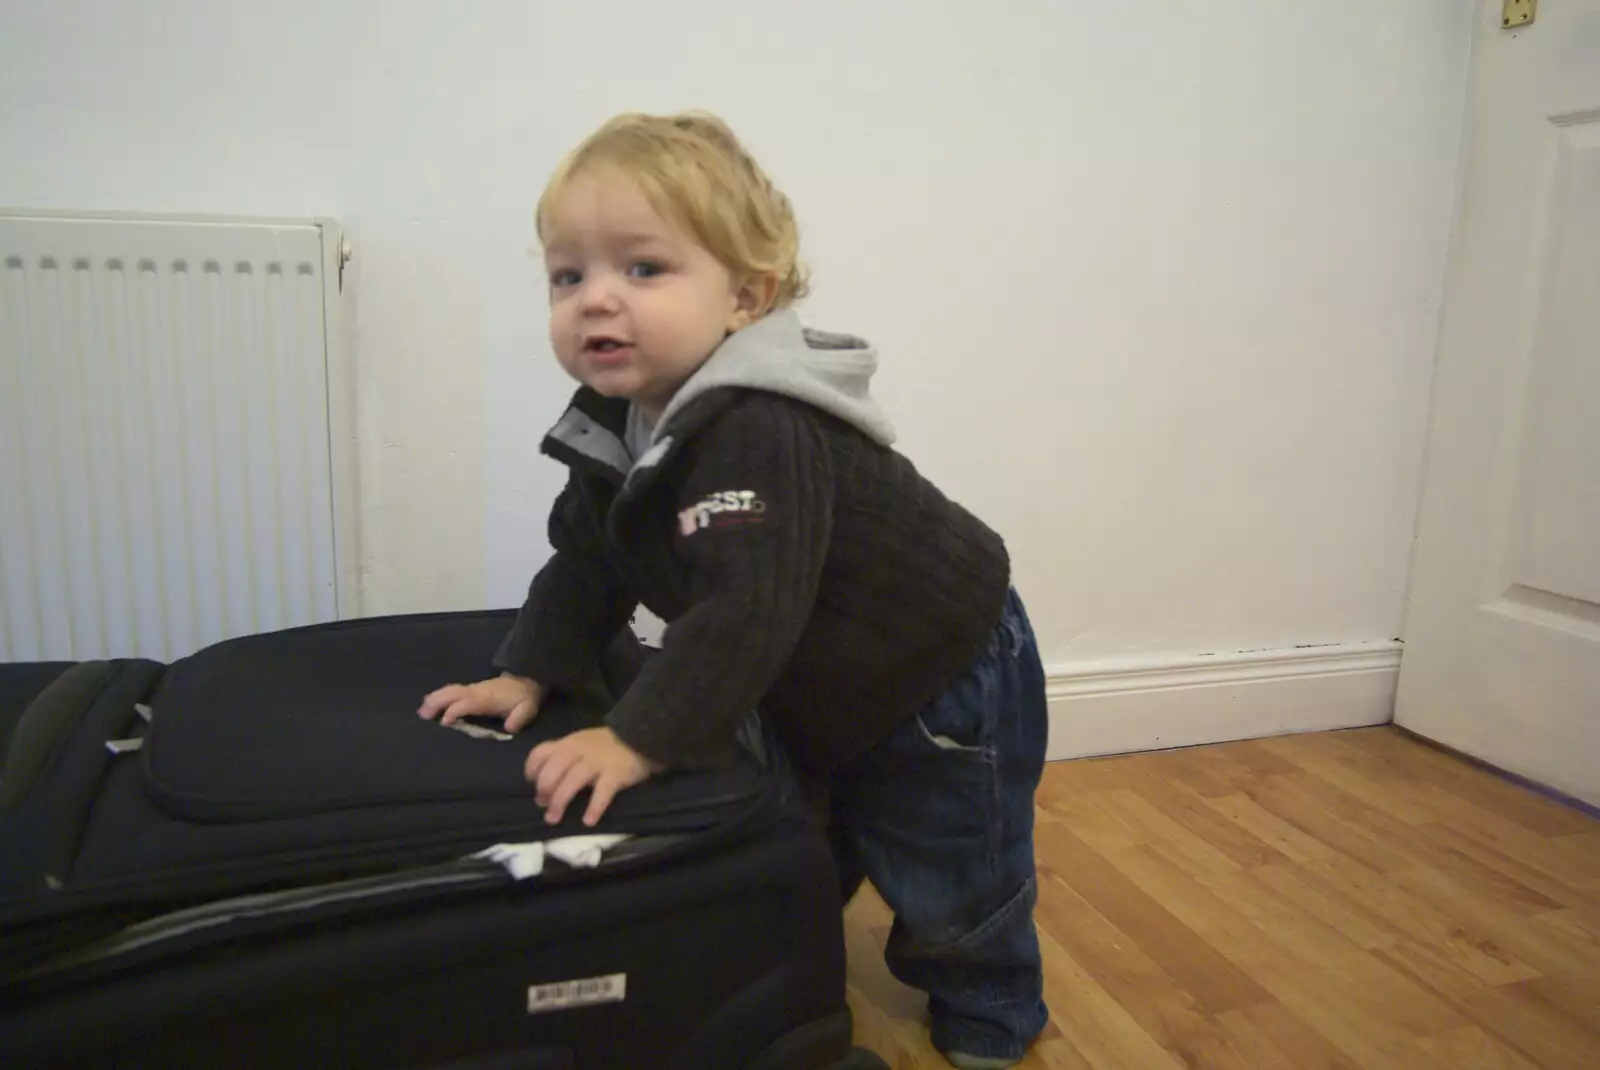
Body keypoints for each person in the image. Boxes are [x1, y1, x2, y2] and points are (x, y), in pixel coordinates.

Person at [417, 111, 1049, 1069]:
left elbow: (745, 609)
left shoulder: (757, 422)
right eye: (567, 275)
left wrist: (636, 735)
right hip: (816, 665)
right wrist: (530, 670)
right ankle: (778, 949)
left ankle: (992, 1010)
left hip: (941, 665)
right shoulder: (617, 421)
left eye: (642, 269)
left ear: (745, 298)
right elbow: (586, 562)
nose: (596, 301)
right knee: (802, 825)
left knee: (949, 865)